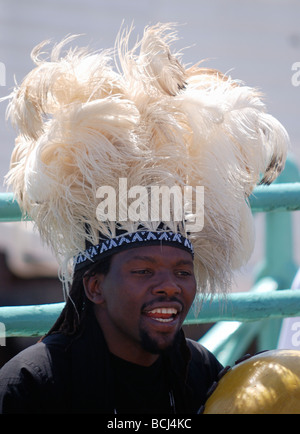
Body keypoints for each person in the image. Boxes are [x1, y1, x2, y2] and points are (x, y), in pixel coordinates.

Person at [0, 23, 288, 413]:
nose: (169, 286)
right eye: (144, 271)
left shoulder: (199, 373)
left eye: (183, 271)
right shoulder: (31, 386)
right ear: (95, 287)